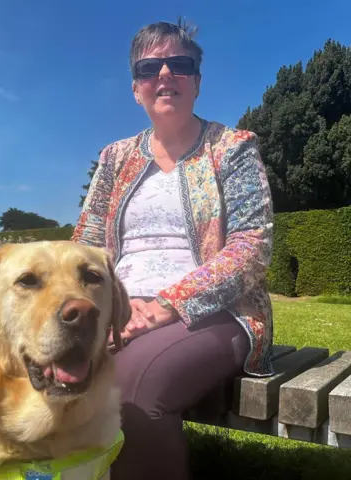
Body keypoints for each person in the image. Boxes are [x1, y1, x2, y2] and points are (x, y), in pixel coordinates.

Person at [72, 19, 274, 480]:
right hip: (117, 310)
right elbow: (84, 244)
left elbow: (252, 247)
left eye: (179, 65)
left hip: (213, 312)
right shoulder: (115, 157)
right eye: (149, 68)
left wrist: (167, 304)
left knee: (130, 394)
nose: (164, 75)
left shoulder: (233, 148)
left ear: (197, 83)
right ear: (136, 88)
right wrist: (106, 308)